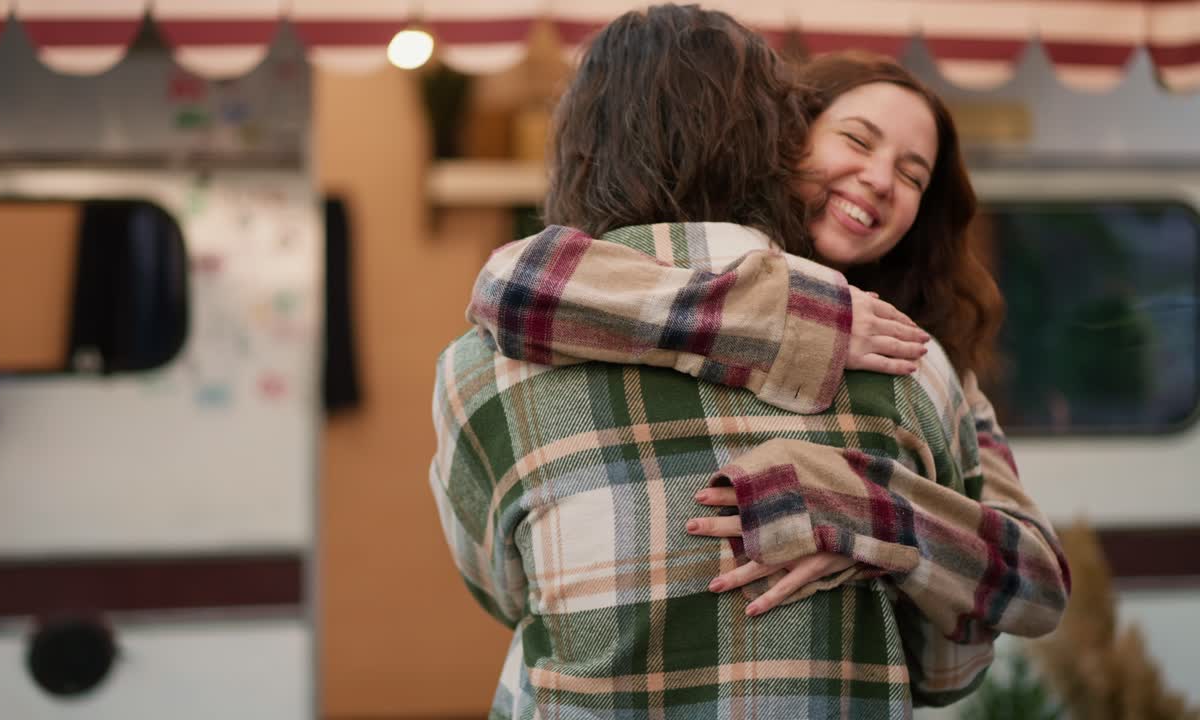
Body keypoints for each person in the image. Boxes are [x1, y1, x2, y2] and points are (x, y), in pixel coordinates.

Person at [431, 9, 1066, 719]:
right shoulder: (912, 376)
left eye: (914, 175)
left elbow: (1030, 585)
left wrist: (867, 516)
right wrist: (787, 328)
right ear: (778, 142)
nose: (880, 179)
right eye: (856, 139)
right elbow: (516, 287)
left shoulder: (915, 355)